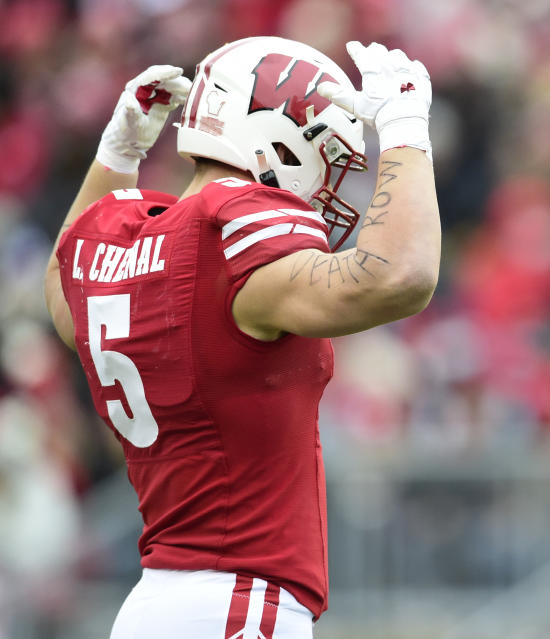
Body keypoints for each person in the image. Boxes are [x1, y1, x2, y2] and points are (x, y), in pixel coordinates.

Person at [43, 36, 439, 638]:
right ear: (272, 136)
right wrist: (407, 134)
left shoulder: (119, 243)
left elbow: (62, 290)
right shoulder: (231, 228)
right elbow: (397, 276)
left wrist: (116, 156)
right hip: (237, 601)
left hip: (153, 604)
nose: (331, 181)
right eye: (327, 154)